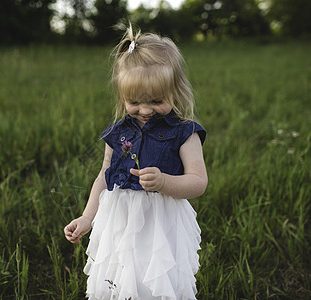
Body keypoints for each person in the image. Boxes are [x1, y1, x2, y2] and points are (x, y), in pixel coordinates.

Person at [64, 25, 208, 300]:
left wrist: (165, 182)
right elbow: (104, 176)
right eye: (134, 101)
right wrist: (87, 216)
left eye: (156, 101)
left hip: (160, 223)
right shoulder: (118, 132)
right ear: (122, 97)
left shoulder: (185, 132)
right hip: (120, 220)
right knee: (121, 274)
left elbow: (199, 182)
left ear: (175, 92)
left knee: (154, 278)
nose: (145, 110)